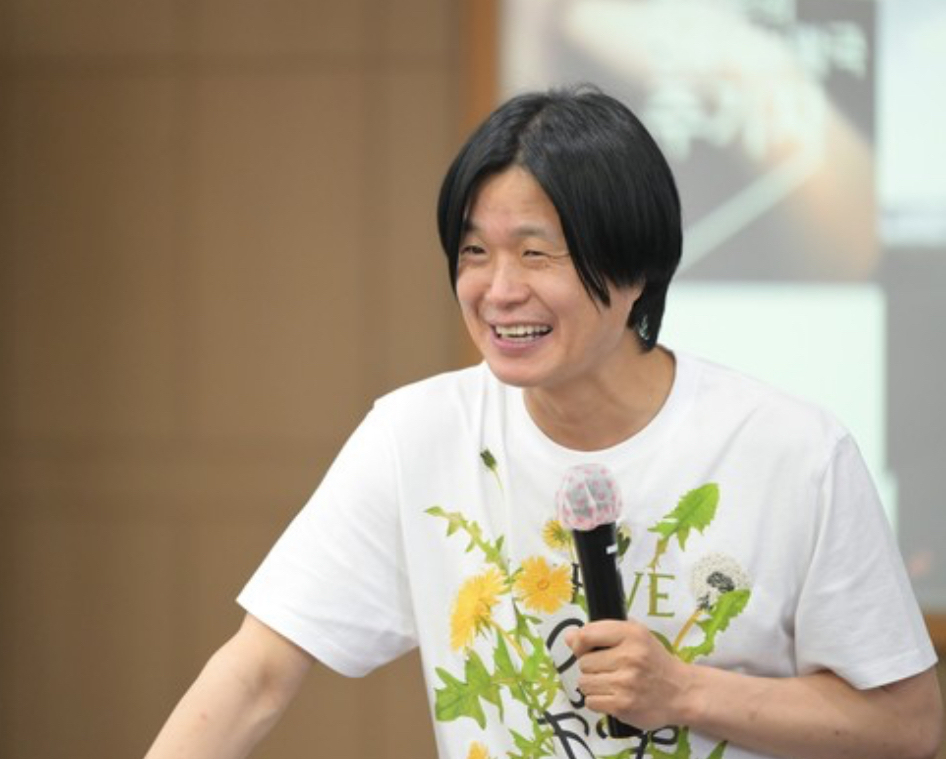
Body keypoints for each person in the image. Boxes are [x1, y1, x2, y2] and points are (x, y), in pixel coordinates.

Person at [145, 86, 943, 759]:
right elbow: (255, 673)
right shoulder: (414, 435)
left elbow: (911, 726)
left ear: (634, 266)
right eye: (473, 252)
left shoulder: (791, 451)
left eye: (534, 253)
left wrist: (684, 690)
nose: (497, 291)